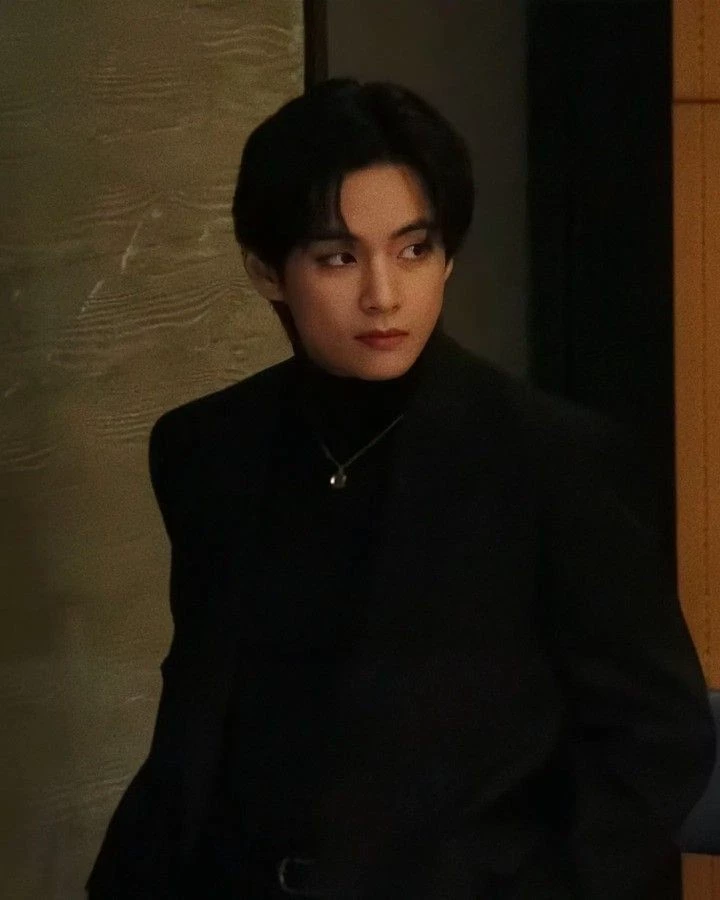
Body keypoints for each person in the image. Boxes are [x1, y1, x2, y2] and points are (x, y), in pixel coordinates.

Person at [86, 78, 715, 900]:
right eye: (339, 258)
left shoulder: (555, 462)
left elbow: (659, 738)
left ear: (447, 256)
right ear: (267, 271)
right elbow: (201, 723)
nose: (384, 295)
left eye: (414, 250)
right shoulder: (206, 448)